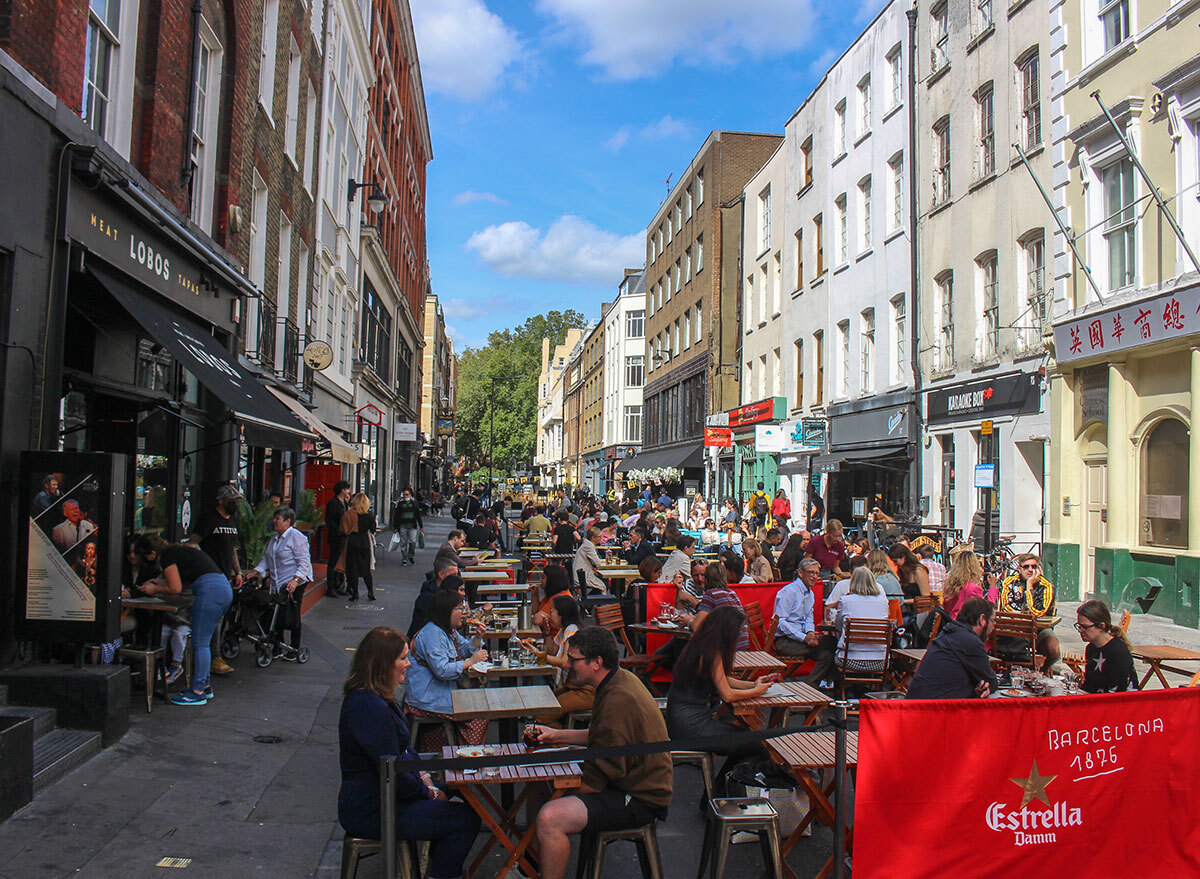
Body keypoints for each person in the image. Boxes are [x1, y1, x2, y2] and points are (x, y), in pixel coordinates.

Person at [528, 627, 673, 879]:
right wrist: (556, 736)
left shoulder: (617, 699)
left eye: (574, 659)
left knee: (551, 818)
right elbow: (602, 734)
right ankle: (528, 865)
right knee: (539, 782)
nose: (568, 665)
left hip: (640, 798)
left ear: (597, 662)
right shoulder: (618, 679)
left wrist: (555, 780)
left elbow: (594, 784)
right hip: (629, 783)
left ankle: (530, 863)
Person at [338, 627, 481, 878]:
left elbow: (404, 751)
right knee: (465, 819)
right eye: (403, 658)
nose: (409, 664)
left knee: (461, 793)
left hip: (387, 798)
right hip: (373, 809)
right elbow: (393, 771)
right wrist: (429, 792)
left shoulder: (375, 699)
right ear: (383, 664)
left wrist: (425, 779)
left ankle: (439, 868)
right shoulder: (368, 707)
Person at [668, 606, 772, 797]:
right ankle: (719, 794)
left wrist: (753, 684)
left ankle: (718, 793)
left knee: (749, 741)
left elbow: (723, 679)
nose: (739, 636)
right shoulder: (712, 652)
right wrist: (757, 691)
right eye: (738, 632)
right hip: (692, 728)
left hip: (684, 723)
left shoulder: (701, 645)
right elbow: (727, 695)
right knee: (756, 747)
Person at [134, 535, 233, 706]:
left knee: (200, 643)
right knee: (204, 642)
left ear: (152, 553)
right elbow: (180, 582)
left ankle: (197, 692)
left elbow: (175, 588)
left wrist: (154, 589)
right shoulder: (178, 551)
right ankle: (205, 686)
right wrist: (158, 583)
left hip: (209, 592)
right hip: (222, 589)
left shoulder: (167, 556)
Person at [404, 588, 490, 750]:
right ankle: (468, 756)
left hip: (443, 692)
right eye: (460, 609)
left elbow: (463, 649)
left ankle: (462, 750)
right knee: (479, 712)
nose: (464, 613)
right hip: (429, 698)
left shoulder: (449, 630)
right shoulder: (432, 634)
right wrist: (471, 661)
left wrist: (478, 638)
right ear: (446, 611)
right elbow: (442, 670)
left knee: (481, 701)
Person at [248, 506, 313, 658]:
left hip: (294, 582)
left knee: (291, 614)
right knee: (275, 612)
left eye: (278, 519)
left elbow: (304, 562)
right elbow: (267, 559)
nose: (274, 521)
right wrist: (256, 572)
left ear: (287, 521)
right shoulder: (275, 538)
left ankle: (294, 648)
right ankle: (278, 646)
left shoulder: (297, 537)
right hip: (278, 582)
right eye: (274, 518)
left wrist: (295, 580)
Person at [194, 484, 243, 676]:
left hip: (225, 575)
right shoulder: (208, 519)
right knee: (213, 617)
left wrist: (237, 571)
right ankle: (213, 656)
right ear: (221, 500)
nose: (234, 505)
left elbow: (232, 550)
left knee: (220, 617)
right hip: (209, 575)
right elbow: (194, 542)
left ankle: (214, 654)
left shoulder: (232, 522)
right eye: (231, 501)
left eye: (236, 501)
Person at [906, 598, 999, 700]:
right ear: (982, 619)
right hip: (933, 706)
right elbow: (991, 681)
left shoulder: (949, 632)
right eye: (992, 621)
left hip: (916, 703)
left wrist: (977, 687)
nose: (993, 627)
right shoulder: (970, 641)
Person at [525, 595, 594, 726]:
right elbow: (553, 650)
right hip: (571, 686)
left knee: (542, 715)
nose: (549, 615)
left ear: (562, 615)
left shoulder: (572, 632)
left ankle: (562, 737)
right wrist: (547, 632)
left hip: (583, 690)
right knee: (540, 706)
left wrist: (538, 655)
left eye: (551, 612)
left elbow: (564, 662)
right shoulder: (565, 630)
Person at [772, 559, 837, 686]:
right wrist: (804, 638)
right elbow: (780, 622)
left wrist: (810, 632)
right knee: (832, 644)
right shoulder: (789, 592)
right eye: (811, 572)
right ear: (800, 573)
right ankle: (833, 685)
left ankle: (811, 685)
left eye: (816, 573)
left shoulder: (810, 593)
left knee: (828, 654)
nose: (814, 576)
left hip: (798, 638)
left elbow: (808, 617)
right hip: (785, 641)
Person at [998, 553, 1060, 670]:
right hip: (1015, 628)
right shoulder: (1009, 582)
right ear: (1019, 569)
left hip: (1039, 629)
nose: (1030, 570)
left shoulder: (1046, 586)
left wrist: (1029, 586)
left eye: (1034, 566)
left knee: (1053, 649)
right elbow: (1007, 607)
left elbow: (1038, 612)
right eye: (1026, 567)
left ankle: (1043, 670)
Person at [832, 567, 890, 673]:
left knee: (829, 646)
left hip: (848, 659)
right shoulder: (883, 602)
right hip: (879, 661)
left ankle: (834, 681)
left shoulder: (845, 600)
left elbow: (838, 626)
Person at [1076, 599, 1138, 693]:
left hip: (1122, 700)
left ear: (1102, 626)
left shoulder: (1118, 651)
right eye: (1079, 626)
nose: (1080, 630)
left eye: (1085, 627)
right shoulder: (1091, 648)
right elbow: (1089, 684)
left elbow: (1118, 690)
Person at [681, 563, 749, 648]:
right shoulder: (732, 593)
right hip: (741, 646)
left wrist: (689, 621)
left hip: (727, 650)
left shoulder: (711, 594)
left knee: (682, 644)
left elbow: (696, 628)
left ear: (706, 580)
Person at [408, 557, 459, 639]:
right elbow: (444, 622)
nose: (457, 578)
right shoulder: (429, 598)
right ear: (441, 574)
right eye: (453, 575)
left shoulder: (443, 591)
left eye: (457, 574)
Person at [341, 493, 377, 602]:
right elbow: (373, 529)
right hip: (364, 541)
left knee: (353, 569)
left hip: (353, 541)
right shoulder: (369, 515)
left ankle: (355, 592)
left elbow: (343, 529)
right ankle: (370, 592)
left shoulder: (349, 514)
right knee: (366, 569)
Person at [941, 549, 988, 619]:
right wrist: (993, 588)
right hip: (964, 623)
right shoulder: (973, 588)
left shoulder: (950, 586)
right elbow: (986, 612)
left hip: (950, 621)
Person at [324, 481, 352, 596]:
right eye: (347, 489)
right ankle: (330, 587)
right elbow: (329, 519)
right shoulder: (333, 503)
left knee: (341, 561)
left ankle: (339, 584)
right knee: (334, 561)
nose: (348, 491)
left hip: (344, 536)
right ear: (342, 490)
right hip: (336, 536)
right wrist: (338, 531)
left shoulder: (344, 503)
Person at [532, 564, 572, 640]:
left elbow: (537, 620)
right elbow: (535, 611)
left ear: (551, 580)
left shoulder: (560, 597)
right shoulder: (553, 594)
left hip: (554, 639)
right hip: (548, 636)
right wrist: (535, 594)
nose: (540, 580)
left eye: (543, 578)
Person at [391, 485, 424, 566]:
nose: (405, 496)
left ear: (410, 495)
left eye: (407, 495)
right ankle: (404, 558)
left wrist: (421, 526)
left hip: (412, 526)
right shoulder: (400, 504)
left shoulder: (414, 504)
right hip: (403, 526)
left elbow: (418, 515)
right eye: (404, 495)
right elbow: (396, 516)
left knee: (412, 541)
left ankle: (410, 555)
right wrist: (395, 527)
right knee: (403, 542)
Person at [573, 526, 608, 595]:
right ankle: (594, 601)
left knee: (604, 583)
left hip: (582, 574)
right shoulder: (589, 546)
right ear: (593, 538)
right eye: (599, 536)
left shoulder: (587, 544)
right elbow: (597, 562)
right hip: (582, 577)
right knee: (603, 586)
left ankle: (589, 600)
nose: (601, 538)